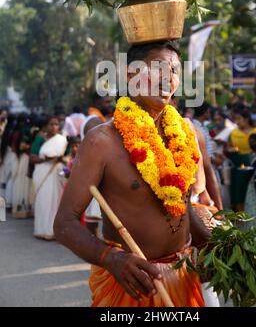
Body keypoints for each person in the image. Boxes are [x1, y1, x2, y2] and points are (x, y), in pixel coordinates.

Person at [54, 40, 211, 307]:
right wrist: (111, 259)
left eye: (174, 70)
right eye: (157, 68)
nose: (167, 77)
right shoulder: (101, 141)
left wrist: (211, 246)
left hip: (184, 276)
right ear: (131, 75)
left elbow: (181, 208)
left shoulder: (183, 135)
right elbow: (64, 224)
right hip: (132, 284)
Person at [31, 116, 68, 240]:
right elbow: (32, 157)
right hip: (43, 173)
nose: (54, 127)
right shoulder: (39, 140)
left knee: (56, 201)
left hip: (56, 173)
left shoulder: (62, 140)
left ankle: (54, 231)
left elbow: (69, 158)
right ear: (46, 126)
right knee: (43, 201)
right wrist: (44, 159)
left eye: (56, 124)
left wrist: (60, 158)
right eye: (51, 124)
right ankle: (41, 230)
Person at [228, 106, 256, 211]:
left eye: (239, 118)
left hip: (255, 162)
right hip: (239, 164)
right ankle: (240, 218)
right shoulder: (234, 133)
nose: (237, 121)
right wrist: (231, 149)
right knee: (238, 190)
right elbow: (230, 146)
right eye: (235, 119)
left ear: (246, 119)